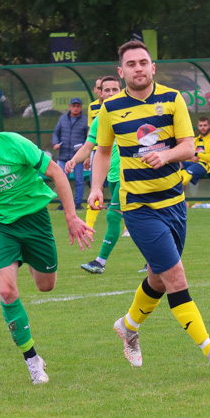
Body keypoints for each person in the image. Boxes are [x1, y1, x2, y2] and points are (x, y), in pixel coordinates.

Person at [88, 40, 210, 371]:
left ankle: (128, 326)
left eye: (144, 62)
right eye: (131, 64)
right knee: (176, 276)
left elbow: (188, 147)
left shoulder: (172, 100)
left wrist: (167, 154)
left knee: (159, 277)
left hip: (175, 203)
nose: (138, 68)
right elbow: (101, 151)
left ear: (153, 67)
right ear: (121, 71)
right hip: (138, 207)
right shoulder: (110, 108)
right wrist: (96, 187)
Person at [0, 104, 93, 384]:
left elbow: (57, 173)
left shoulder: (14, 144)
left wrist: (71, 216)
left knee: (46, 285)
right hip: (1, 228)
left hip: (37, 222)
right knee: (6, 291)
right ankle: (33, 360)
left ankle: (25, 258)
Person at [65, 76, 124, 274]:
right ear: (99, 93)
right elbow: (89, 146)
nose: (111, 93)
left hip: (130, 176)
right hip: (113, 176)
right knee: (136, 219)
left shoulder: (130, 114)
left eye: (115, 89)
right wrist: (74, 160)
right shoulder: (100, 120)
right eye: (106, 90)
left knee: (113, 216)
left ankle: (100, 261)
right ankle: (155, 261)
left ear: (121, 90)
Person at [52, 97, 89, 210]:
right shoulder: (62, 118)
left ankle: (77, 203)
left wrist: (84, 146)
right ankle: (63, 204)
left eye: (78, 106)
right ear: (70, 107)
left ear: (81, 107)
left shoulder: (85, 120)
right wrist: (55, 143)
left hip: (77, 157)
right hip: (63, 156)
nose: (75, 108)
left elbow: (89, 137)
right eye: (74, 106)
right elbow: (56, 133)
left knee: (79, 180)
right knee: (62, 180)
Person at [179, 117, 210, 190]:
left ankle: (181, 199)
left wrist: (197, 154)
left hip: (204, 165)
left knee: (186, 175)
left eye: (205, 125)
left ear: (209, 126)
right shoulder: (194, 140)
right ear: (198, 127)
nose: (203, 128)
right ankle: (180, 199)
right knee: (177, 166)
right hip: (191, 162)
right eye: (201, 126)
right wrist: (191, 157)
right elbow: (186, 153)